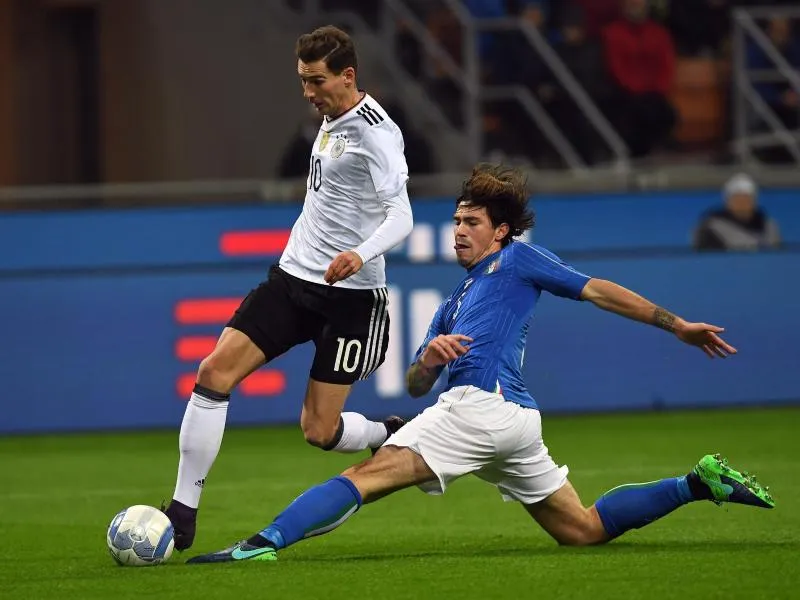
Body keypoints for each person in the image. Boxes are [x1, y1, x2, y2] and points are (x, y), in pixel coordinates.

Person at [185, 164, 774, 564]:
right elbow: (418, 384)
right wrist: (429, 358)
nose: (460, 230)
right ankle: (697, 483)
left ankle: (258, 544)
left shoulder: (519, 260)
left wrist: (677, 326)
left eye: (472, 222)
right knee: (583, 529)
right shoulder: (454, 302)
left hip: (482, 410)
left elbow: (598, 290)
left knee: (364, 478)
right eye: (459, 220)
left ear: (501, 231)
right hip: (511, 421)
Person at [163, 25, 414, 551]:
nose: (308, 92)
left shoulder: (377, 133)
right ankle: (182, 512)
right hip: (292, 279)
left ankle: (387, 434)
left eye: (317, 81)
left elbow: (403, 216)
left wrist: (359, 254)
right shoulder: (327, 120)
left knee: (319, 432)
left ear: (348, 76)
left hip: (351, 300)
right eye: (302, 80)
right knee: (213, 372)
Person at [693, 173, 781, 252]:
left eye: (747, 198)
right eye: (737, 198)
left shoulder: (768, 224)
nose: (742, 203)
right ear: (728, 201)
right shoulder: (711, 227)